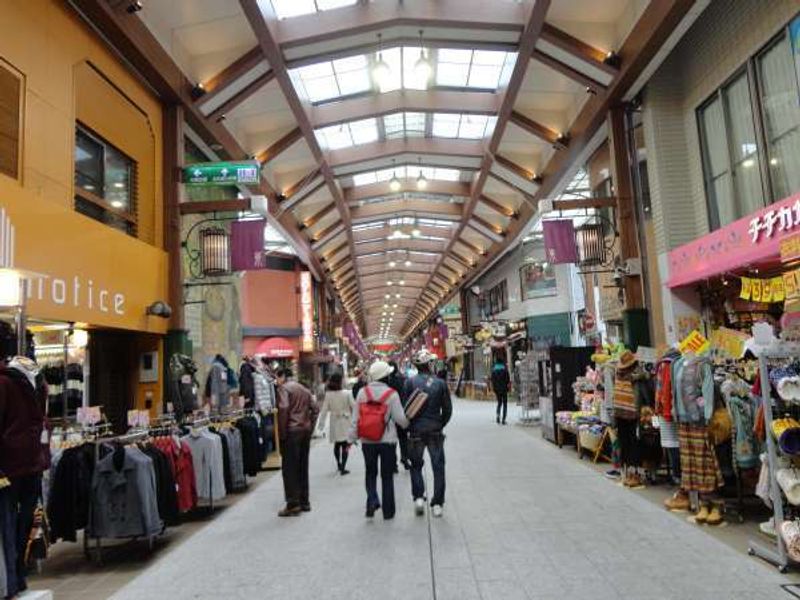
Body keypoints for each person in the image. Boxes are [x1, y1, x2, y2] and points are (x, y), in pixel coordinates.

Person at [350, 361, 409, 520]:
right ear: (385, 376)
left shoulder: (362, 393)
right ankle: (388, 512)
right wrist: (407, 424)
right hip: (387, 441)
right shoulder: (392, 394)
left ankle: (372, 500)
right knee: (387, 476)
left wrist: (351, 437)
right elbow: (400, 419)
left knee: (370, 473)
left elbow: (356, 417)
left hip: (367, 441)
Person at [404, 350, 452, 518]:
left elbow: (406, 408)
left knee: (416, 465)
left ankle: (418, 498)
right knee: (438, 467)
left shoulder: (409, 383)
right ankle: (437, 504)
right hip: (435, 432)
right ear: (429, 364)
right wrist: (440, 423)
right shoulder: (440, 384)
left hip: (415, 431)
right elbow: (447, 410)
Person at [275, 368, 318, 517]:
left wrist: (282, 433)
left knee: (289, 469)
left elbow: (284, 408)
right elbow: (315, 408)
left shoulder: (284, 389)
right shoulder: (304, 390)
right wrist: (310, 426)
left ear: (283, 377)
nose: (277, 381)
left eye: (277, 378)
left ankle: (293, 503)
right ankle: (304, 501)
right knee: (302, 466)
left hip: (292, 432)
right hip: (304, 431)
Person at [317, 372, 355, 475]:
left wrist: (321, 424)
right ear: (340, 381)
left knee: (337, 444)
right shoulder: (347, 393)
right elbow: (354, 407)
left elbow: (324, 410)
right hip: (346, 421)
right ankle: (343, 467)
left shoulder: (328, 395)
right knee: (346, 445)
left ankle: (338, 463)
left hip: (334, 421)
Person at [386, 361, 410, 471]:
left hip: (389, 413)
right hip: (401, 411)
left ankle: (393, 464)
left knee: (392, 439)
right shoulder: (403, 379)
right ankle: (404, 459)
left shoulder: (386, 381)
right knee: (403, 437)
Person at [491, 356, 511, 425]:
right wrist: (508, 388)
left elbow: (492, 381)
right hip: (504, 389)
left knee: (499, 403)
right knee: (505, 404)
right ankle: (503, 419)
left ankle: (498, 416)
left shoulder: (494, 370)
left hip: (497, 389)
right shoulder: (505, 370)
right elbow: (508, 380)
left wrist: (494, 389)